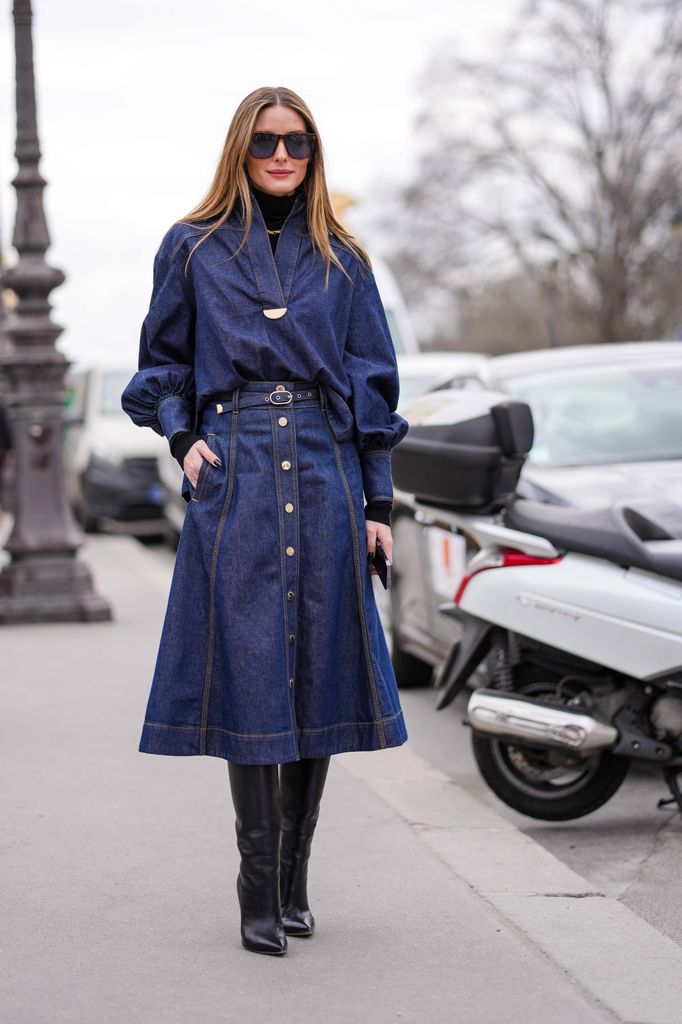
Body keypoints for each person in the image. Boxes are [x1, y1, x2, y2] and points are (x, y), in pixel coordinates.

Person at [121, 85, 410, 956]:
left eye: (298, 144)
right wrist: (184, 441)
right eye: (265, 143)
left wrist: (379, 502)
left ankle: (294, 881)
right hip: (236, 460)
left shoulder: (344, 260)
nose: (282, 156)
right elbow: (163, 362)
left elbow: (372, 389)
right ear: (239, 151)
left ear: (314, 155)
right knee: (251, 667)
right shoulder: (193, 246)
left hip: (324, 463)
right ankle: (255, 884)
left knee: (318, 666)